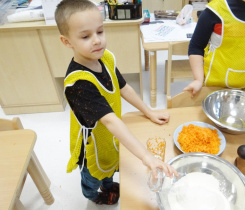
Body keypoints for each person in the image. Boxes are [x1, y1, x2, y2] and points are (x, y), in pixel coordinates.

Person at [54, 0, 177, 205]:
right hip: (92, 145)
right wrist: (147, 157)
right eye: (85, 36)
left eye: (100, 32)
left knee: (110, 166)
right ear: (67, 42)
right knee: (92, 177)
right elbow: (110, 121)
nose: (97, 41)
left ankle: (109, 184)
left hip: (109, 137)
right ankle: (95, 196)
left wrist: (149, 111)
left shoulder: (106, 58)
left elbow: (123, 87)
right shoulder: (78, 83)